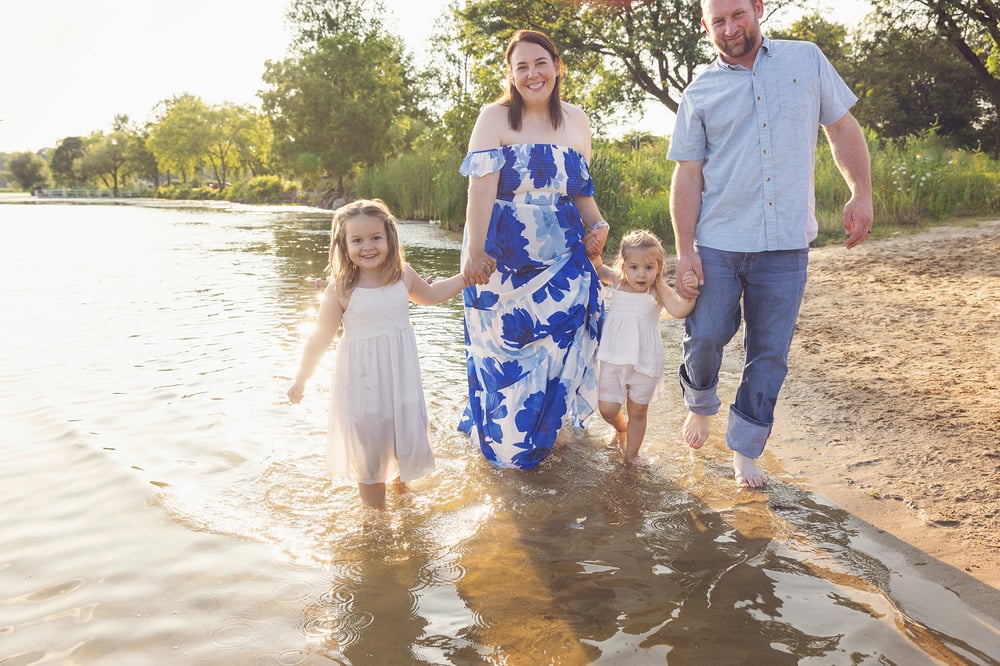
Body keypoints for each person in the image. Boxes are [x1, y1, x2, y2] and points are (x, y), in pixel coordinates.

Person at [668, 0, 874, 488]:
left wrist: (860, 193)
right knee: (705, 335)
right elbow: (687, 173)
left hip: (784, 247)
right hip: (717, 241)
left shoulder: (807, 60)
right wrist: (684, 250)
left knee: (769, 354)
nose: (730, 27)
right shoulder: (699, 91)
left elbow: (841, 128)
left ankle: (744, 449)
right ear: (706, 26)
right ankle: (699, 402)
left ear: (758, 8)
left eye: (738, 14)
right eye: (718, 21)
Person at [458, 29, 610, 470]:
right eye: (521, 66)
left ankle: (550, 439)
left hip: (561, 261)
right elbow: (480, 193)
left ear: (557, 66)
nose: (532, 73)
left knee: (557, 351)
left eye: (540, 63)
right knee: (501, 365)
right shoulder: (495, 118)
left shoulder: (578, 121)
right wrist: (474, 254)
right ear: (510, 74)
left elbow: (579, 189)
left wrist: (597, 224)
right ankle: (506, 454)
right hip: (498, 267)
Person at [287, 199, 469, 507]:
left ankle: (405, 501)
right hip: (361, 387)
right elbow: (320, 337)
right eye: (357, 240)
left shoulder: (403, 276)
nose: (367, 247)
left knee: (401, 441)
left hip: (401, 381)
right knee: (369, 453)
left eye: (375, 238)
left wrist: (466, 277)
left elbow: (433, 295)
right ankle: (375, 522)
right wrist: (301, 378)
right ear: (344, 246)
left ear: (389, 238)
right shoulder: (341, 288)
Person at [591, 230, 700, 464]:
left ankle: (632, 455)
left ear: (659, 267)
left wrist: (690, 293)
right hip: (613, 358)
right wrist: (595, 249)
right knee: (607, 409)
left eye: (649, 268)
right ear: (624, 266)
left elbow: (680, 310)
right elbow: (598, 268)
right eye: (634, 268)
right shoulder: (619, 282)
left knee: (638, 411)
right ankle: (621, 429)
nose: (641, 274)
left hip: (645, 361)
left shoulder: (658, 290)